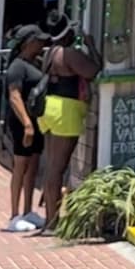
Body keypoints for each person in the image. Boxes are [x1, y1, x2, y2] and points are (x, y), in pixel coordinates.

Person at [37, 15, 101, 231]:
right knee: (58, 168)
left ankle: (50, 217)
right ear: (68, 33)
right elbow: (94, 70)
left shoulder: (50, 53)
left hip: (49, 108)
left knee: (51, 166)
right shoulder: (69, 54)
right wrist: (91, 46)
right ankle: (53, 221)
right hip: (66, 110)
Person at [3, 26, 47, 232]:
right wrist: (27, 124)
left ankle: (28, 210)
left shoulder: (34, 63)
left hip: (37, 121)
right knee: (21, 165)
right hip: (22, 123)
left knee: (33, 165)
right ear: (28, 43)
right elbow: (14, 95)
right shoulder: (17, 67)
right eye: (38, 41)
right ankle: (14, 214)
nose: (41, 45)